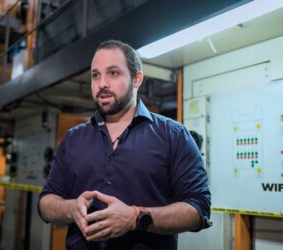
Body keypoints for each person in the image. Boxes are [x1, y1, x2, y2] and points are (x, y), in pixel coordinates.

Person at [38, 40, 211, 250]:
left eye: (113, 73)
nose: (102, 83)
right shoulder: (73, 139)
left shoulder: (174, 136)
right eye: (95, 75)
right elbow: (46, 202)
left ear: (137, 78)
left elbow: (199, 208)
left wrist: (135, 217)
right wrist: (71, 208)